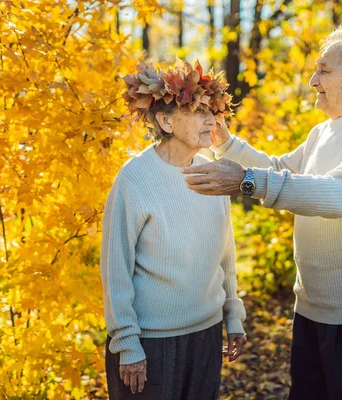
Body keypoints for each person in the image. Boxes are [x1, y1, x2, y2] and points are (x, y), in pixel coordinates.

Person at [182, 25, 342, 400]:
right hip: (313, 306)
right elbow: (281, 171)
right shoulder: (323, 132)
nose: (312, 81)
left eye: (323, 70)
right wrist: (226, 145)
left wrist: (247, 182)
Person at [100, 59, 246, 400]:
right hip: (150, 342)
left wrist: (233, 314)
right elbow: (115, 268)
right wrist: (127, 342)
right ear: (165, 121)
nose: (212, 120)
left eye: (213, 111)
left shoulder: (214, 172)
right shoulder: (134, 178)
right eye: (199, 111)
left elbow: (225, 252)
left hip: (206, 335)